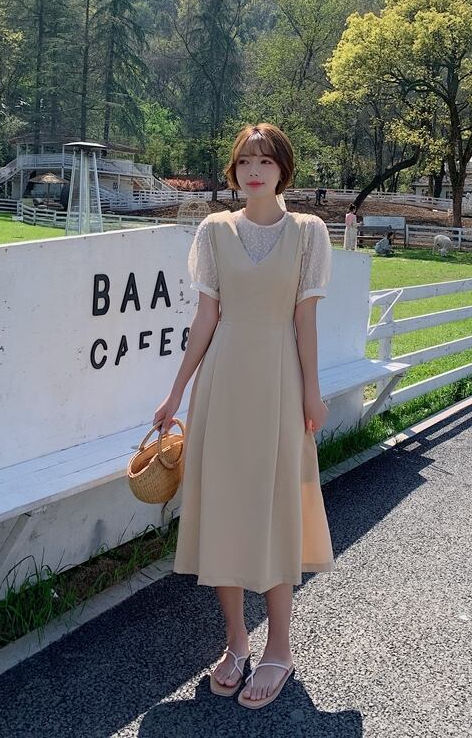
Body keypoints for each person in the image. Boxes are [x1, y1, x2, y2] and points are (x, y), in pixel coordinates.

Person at [152, 122, 335, 710]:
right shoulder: (213, 231)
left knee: (277, 508)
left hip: (279, 382)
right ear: (234, 172)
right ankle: (236, 642)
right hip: (222, 384)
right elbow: (205, 319)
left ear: (283, 170)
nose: (254, 171)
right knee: (225, 509)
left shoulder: (308, 232)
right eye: (245, 162)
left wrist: (312, 393)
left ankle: (280, 647)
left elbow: (305, 321)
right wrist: (176, 393)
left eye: (266, 161)